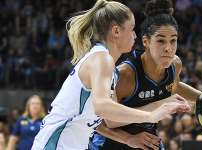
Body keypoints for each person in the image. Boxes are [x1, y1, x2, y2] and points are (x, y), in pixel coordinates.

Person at [32, 0, 189, 149]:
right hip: (56, 144)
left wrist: (127, 139)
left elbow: (104, 119)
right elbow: (102, 107)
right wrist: (152, 115)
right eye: (132, 28)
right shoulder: (102, 59)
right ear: (116, 31)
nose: (135, 35)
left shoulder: (108, 65)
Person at [91, 0, 202, 149]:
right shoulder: (126, 74)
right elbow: (102, 121)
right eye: (161, 41)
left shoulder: (175, 64)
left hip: (147, 139)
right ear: (146, 41)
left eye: (173, 40)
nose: (168, 48)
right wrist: (129, 138)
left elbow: (173, 87)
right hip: (111, 141)